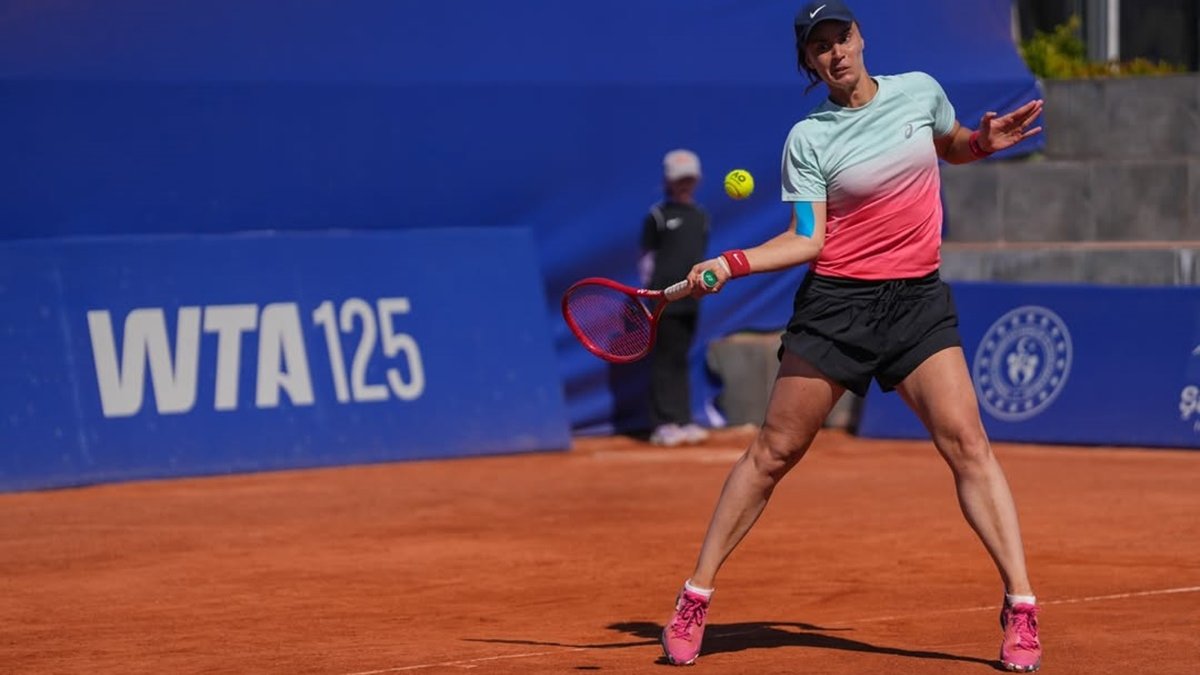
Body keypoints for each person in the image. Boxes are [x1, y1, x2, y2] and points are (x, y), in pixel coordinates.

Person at [660, 1, 1046, 672]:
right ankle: (695, 596)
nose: (835, 52)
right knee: (773, 452)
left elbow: (950, 144)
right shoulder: (809, 138)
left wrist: (982, 142)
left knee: (968, 443)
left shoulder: (919, 91)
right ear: (809, 63)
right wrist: (732, 262)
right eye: (820, 47)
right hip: (838, 306)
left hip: (917, 302)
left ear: (861, 38)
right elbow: (807, 239)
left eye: (842, 37)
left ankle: (1021, 606)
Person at [639, 149, 712, 447]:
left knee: (681, 358)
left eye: (689, 179)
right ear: (668, 182)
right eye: (679, 180)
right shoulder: (657, 216)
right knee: (663, 360)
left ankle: (682, 419)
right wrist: (650, 293)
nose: (684, 185)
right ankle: (663, 423)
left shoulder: (701, 217)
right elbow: (646, 259)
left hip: (690, 299)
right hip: (662, 299)